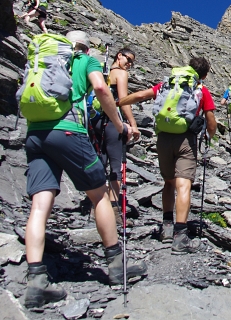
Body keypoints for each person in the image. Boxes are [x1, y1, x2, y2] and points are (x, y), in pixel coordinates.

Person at [21, 31, 147, 308]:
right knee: (99, 194)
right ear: (87, 48)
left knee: (40, 204)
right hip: (68, 132)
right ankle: (116, 266)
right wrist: (118, 124)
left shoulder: (42, 60)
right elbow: (102, 90)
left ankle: (36, 280)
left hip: (35, 134)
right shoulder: (85, 61)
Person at [118, 57, 217, 253]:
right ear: (203, 75)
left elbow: (141, 96)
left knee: (169, 183)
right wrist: (208, 135)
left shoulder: (167, 84)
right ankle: (180, 237)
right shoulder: (200, 89)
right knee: (183, 185)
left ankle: (166, 227)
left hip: (163, 138)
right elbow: (211, 119)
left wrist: (116, 102)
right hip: (186, 141)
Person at [100, 48, 141, 219]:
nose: (130, 64)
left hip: (96, 122)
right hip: (112, 123)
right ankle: (113, 210)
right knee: (116, 165)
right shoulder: (121, 74)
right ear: (119, 56)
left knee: (100, 162)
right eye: (129, 59)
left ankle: (97, 206)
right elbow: (123, 101)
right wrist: (133, 123)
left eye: (132, 62)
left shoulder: (104, 73)